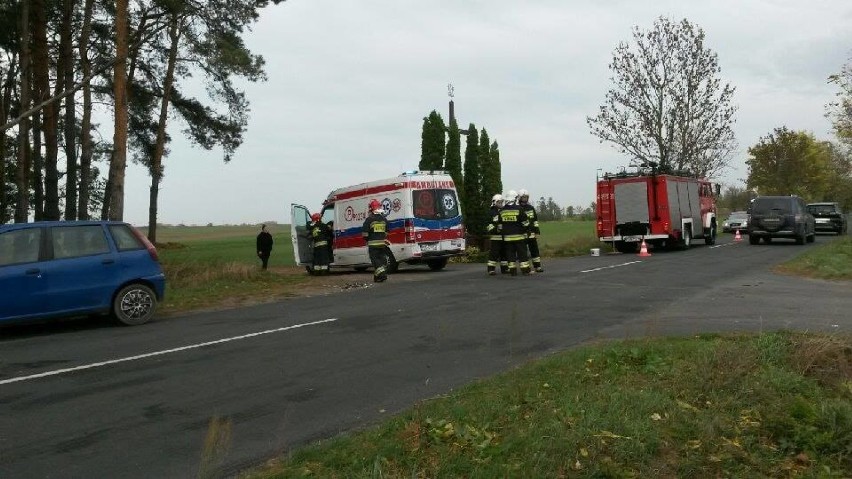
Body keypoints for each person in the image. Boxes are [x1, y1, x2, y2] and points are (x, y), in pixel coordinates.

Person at [498, 190, 531, 276]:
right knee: (522, 254)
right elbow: (525, 223)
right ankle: (525, 270)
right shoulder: (519, 209)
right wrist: (527, 231)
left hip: (507, 238)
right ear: (515, 198)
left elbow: (500, 225)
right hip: (519, 237)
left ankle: (512, 271)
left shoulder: (502, 210)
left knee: (510, 254)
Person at [362, 199, 389, 282]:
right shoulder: (384, 219)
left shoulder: (369, 220)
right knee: (382, 259)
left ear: (371, 209)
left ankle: (382, 274)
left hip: (373, 244)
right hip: (382, 244)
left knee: (375, 260)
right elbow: (386, 232)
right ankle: (377, 277)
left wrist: (367, 239)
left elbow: (365, 234)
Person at [518, 188, 543, 272]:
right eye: (523, 197)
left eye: (526, 197)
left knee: (535, 250)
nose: (525, 198)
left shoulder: (531, 208)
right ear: (519, 198)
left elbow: (535, 221)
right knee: (524, 252)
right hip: (523, 234)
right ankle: (526, 268)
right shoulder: (517, 208)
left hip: (532, 233)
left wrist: (537, 231)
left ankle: (537, 267)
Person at [486, 193, 505, 275]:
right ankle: (491, 269)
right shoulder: (491, 212)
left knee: (504, 254)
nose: (500, 204)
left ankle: (505, 269)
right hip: (495, 237)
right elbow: (488, 225)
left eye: (501, 202)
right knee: (494, 254)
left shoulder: (504, 211)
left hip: (503, 236)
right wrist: (495, 229)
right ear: (494, 202)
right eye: (499, 202)